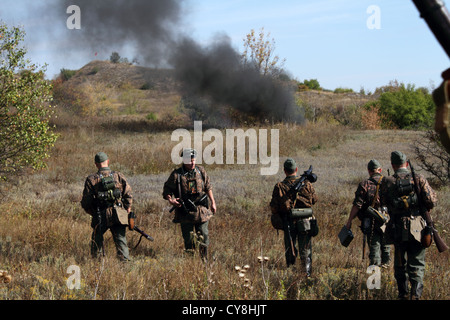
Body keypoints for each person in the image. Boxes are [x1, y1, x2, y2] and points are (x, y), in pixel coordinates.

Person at [380, 151, 437, 300]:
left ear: (392, 165)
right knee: (417, 262)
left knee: (400, 262)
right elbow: (431, 200)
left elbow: (383, 201)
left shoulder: (387, 180)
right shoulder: (418, 178)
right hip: (417, 227)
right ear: (406, 163)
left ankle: (403, 294)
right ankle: (415, 296)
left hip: (397, 226)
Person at [163, 148, 216, 260]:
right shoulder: (177, 174)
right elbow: (167, 189)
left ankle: (204, 260)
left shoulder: (201, 171)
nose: (192, 163)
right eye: (189, 161)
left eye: (194, 160)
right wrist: (171, 200)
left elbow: (208, 187)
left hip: (201, 211)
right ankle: (190, 261)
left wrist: (213, 202)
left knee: (203, 235)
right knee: (188, 239)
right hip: (185, 212)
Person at [81, 152, 133, 261]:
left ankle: (96, 264)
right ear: (108, 161)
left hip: (100, 214)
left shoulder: (92, 179)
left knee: (97, 241)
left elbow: (86, 200)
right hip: (118, 213)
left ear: (96, 164)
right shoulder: (118, 175)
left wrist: (91, 211)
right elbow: (128, 194)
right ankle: (125, 264)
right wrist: (127, 208)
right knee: (121, 240)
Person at [270, 158, 318, 275]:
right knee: (305, 250)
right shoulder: (306, 184)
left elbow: (274, 208)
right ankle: (306, 273)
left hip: (289, 222)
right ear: (296, 169)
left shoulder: (279, 186)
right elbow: (314, 200)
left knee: (290, 249)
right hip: (305, 222)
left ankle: (291, 273)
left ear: (284, 171)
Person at [345, 159, 391, 267]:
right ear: (380, 170)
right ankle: (385, 271)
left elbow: (357, 205)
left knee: (374, 247)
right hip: (387, 219)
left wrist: (349, 221)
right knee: (386, 248)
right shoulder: (389, 182)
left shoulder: (365, 184)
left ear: (369, 171)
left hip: (372, 221)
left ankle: (375, 276)